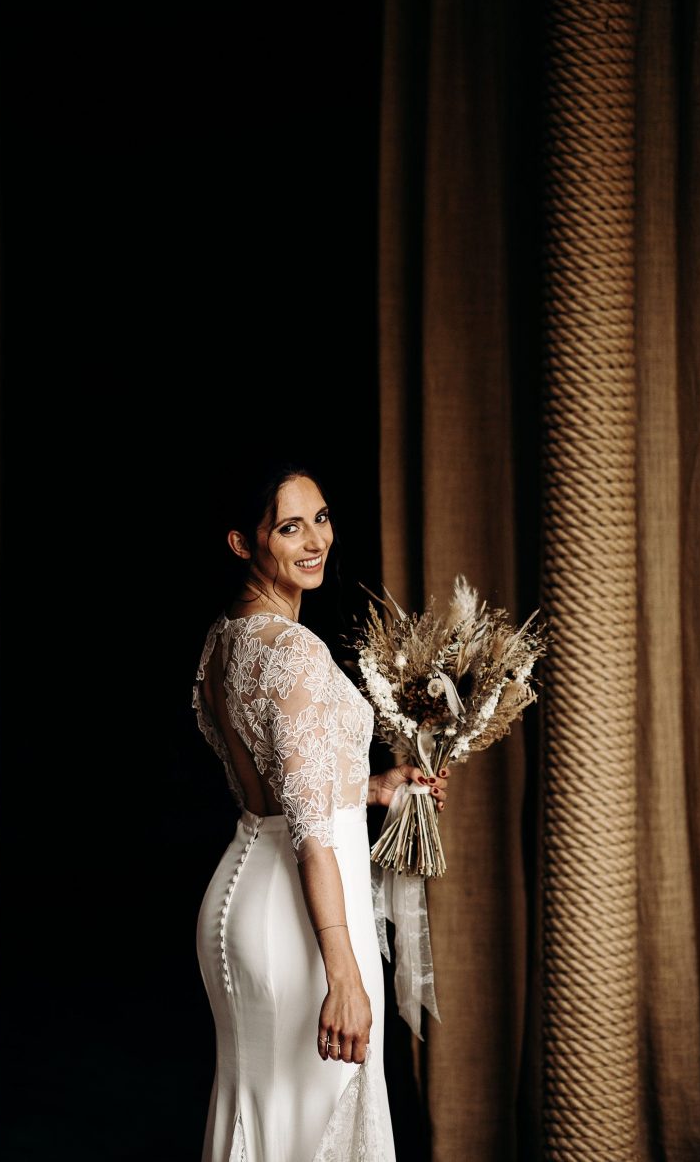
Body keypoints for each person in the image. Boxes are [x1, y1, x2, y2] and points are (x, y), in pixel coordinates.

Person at [192, 459, 449, 1162]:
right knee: (305, 1132)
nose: (315, 540)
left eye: (322, 517)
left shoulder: (223, 642)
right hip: (302, 924)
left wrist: (370, 788)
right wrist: (344, 974)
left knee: (265, 1120)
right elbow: (308, 836)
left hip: (241, 900)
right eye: (288, 525)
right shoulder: (295, 653)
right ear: (244, 543)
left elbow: (281, 790)